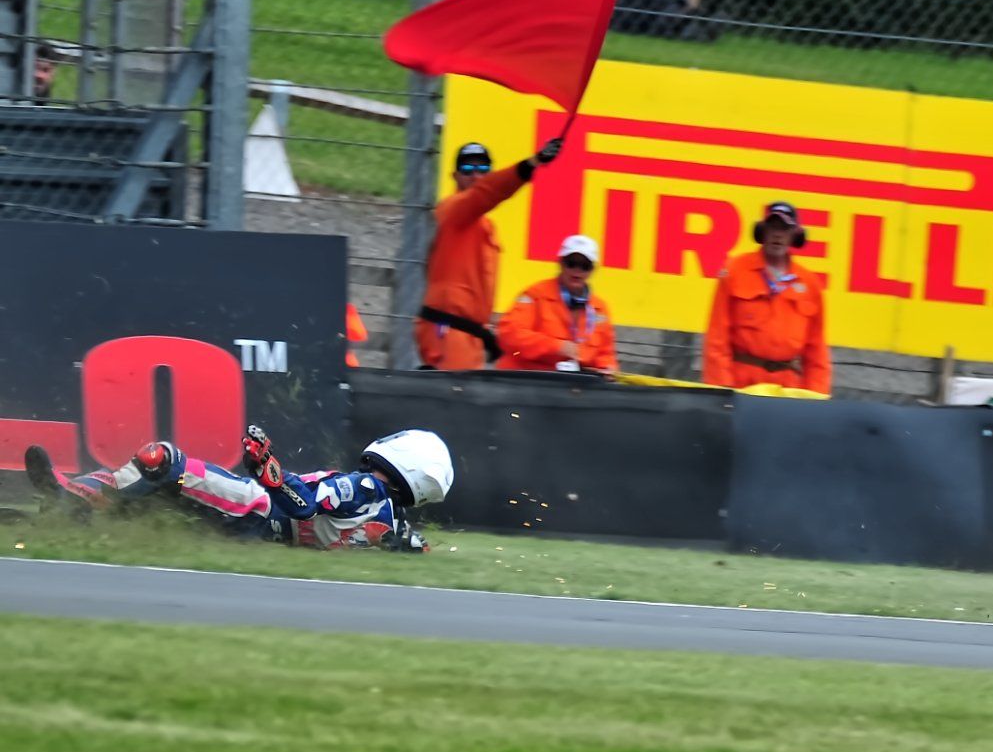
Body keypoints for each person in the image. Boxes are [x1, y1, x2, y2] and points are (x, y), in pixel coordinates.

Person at [22, 426, 454, 552]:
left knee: (163, 461)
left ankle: (76, 499)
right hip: (257, 531)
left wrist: (268, 469)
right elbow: (414, 548)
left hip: (255, 508)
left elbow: (305, 507)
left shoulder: (365, 487)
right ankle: (80, 514)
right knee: (162, 496)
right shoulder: (393, 524)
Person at [413, 137, 563, 371]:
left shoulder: (483, 226)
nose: (476, 176)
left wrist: (485, 333)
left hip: (464, 334)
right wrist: (530, 164)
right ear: (455, 176)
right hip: (449, 332)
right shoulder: (453, 209)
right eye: (468, 169)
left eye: (483, 169)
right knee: (453, 393)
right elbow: (487, 192)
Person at [702, 202, 831, 394]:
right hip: (742, 386)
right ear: (762, 231)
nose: (777, 235)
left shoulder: (809, 283)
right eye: (773, 227)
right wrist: (721, 391)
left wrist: (816, 398)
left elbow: (817, 350)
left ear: (795, 235)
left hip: (788, 390)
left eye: (784, 229)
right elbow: (717, 338)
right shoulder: (735, 271)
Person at [497, 234, 619, 373]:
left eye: (585, 266)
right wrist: (556, 346)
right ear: (560, 263)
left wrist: (607, 369)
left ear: (592, 270)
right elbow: (509, 334)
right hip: (526, 377)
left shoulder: (600, 309)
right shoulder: (535, 294)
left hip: (572, 382)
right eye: (571, 263)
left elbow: (606, 354)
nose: (577, 270)